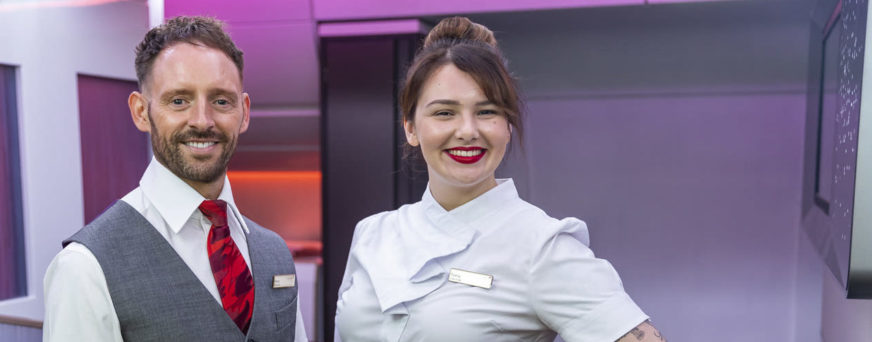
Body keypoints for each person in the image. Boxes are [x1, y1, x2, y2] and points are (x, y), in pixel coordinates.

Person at [334, 17, 664, 342]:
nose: (467, 131)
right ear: (410, 128)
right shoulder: (372, 234)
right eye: (444, 113)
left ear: (507, 125)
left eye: (487, 112)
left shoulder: (541, 247)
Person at [44, 16, 307, 342]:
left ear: (244, 112)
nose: (202, 120)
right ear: (142, 112)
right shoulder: (85, 268)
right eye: (179, 100)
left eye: (221, 101)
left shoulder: (275, 252)